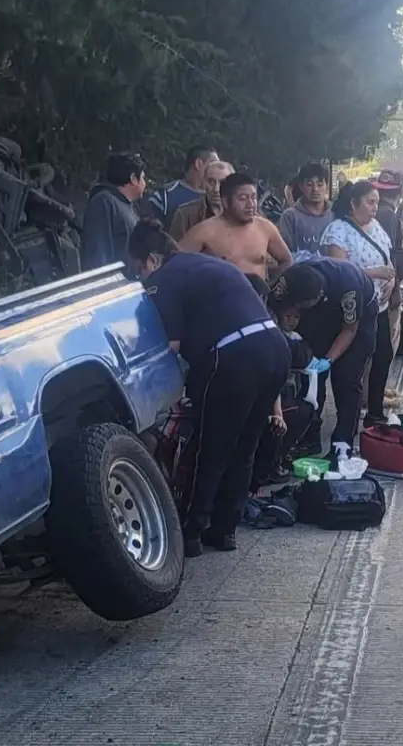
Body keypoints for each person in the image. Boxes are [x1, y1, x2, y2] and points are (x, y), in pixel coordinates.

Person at [128, 219, 290, 556]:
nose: (141, 278)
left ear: (152, 260)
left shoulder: (164, 278)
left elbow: (168, 346)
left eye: (138, 269)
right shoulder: (211, 265)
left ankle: (191, 532)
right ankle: (224, 530)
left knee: (209, 450)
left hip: (234, 358)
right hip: (275, 349)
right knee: (244, 449)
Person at [269, 258, 376, 457]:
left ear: (319, 296)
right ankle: (309, 438)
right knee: (310, 379)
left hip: (358, 321)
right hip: (315, 320)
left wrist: (328, 359)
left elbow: (349, 330)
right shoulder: (288, 281)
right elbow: (272, 311)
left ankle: (342, 444)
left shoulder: (348, 288)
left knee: (346, 379)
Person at [320, 180, 395, 428]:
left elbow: (389, 261)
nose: (375, 208)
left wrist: (391, 281)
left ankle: (375, 411)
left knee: (383, 355)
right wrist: (375, 273)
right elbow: (339, 269)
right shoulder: (338, 231)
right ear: (353, 203)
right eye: (370, 202)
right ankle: (345, 421)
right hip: (351, 307)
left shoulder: (376, 227)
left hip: (379, 305)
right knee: (351, 366)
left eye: (377, 202)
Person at [251, 305, 319, 491]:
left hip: (273, 395)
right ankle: (270, 467)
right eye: (287, 315)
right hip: (264, 400)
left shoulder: (294, 339)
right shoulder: (276, 341)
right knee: (299, 415)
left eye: (295, 317)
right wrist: (278, 414)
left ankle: (274, 462)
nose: (291, 320)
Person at [179, 172, 293, 280]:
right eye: (243, 199)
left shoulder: (266, 228)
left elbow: (287, 260)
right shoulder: (205, 231)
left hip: (258, 296)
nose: (250, 204)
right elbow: (174, 263)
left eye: (253, 198)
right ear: (225, 202)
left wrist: (272, 287)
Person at [81, 152, 147, 271]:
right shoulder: (104, 202)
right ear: (133, 179)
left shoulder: (129, 206)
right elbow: (97, 252)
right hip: (113, 285)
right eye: (142, 177)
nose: (144, 183)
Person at [372, 169, 403, 357]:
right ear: (400, 192)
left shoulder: (378, 212)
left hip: (381, 281)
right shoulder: (388, 215)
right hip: (387, 283)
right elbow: (390, 253)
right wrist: (394, 287)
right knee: (389, 337)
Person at [141, 145, 220, 224]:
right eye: (213, 164)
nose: (217, 169)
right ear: (198, 164)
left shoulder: (219, 199)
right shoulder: (165, 196)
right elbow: (146, 231)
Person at [278, 162, 333, 262]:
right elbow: (284, 255)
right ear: (301, 187)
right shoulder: (290, 217)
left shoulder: (335, 213)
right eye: (309, 184)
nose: (315, 189)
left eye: (320, 184)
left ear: (327, 186)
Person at [168, 160, 233, 241]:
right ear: (203, 183)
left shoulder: (242, 214)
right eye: (211, 182)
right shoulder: (185, 214)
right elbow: (173, 250)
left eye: (222, 183)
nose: (216, 189)